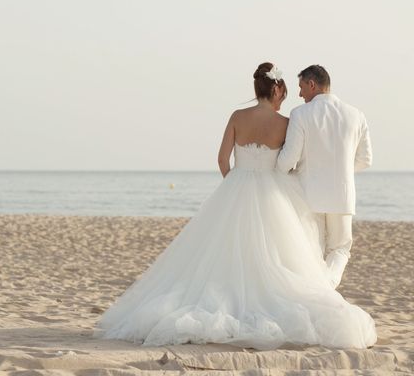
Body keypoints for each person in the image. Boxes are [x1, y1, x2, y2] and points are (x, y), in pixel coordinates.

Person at [92, 62, 376, 350]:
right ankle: (323, 292)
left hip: (236, 189)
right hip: (277, 194)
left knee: (219, 253)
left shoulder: (240, 117)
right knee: (282, 254)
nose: (292, 97)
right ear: (277, 89)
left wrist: (234, 184)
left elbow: (222, 160)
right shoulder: (287, 123)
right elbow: (288, 164)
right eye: (286, 92)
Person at [276, 65, 372, 289]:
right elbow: (366, 159)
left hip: (308, 194)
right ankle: (326, 288)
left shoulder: (300, 114)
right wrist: (342, 172)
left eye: (301, 88)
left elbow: (289, 158)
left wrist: (278, 174)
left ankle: (322, 290)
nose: (300, 94)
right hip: (342, 194)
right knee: (340, 249)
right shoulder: (356, 115)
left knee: (313, 251)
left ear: (312, 84)